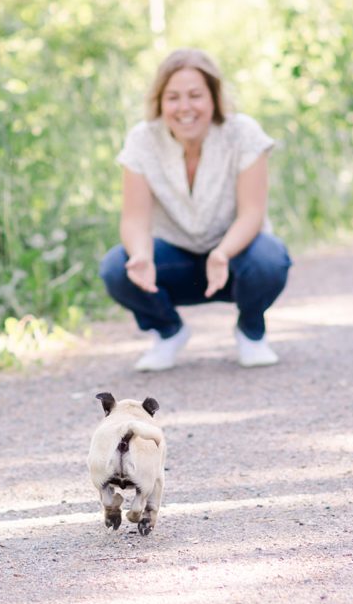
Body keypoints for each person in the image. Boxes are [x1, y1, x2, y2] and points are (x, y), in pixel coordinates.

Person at [98, 48, 291, 371]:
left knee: (270, 258)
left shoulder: (243, 133)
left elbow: (252, 214)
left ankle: (251, 331)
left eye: (195, 95)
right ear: (160, 102)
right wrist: (141, 255)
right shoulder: (142, 140)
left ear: (214, 98)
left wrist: (222, 253)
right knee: (116, 267)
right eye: (173, 97)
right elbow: (134, 219)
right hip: (176, 257)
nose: (184, 107)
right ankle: (168, 332)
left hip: (236, 256)